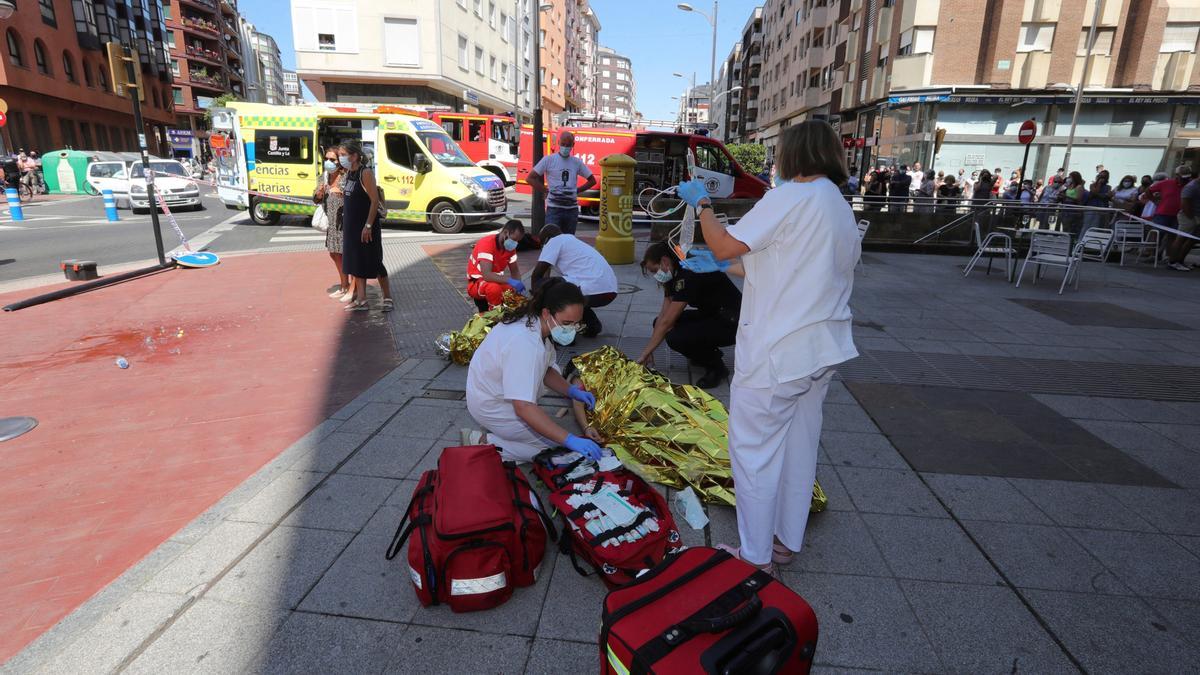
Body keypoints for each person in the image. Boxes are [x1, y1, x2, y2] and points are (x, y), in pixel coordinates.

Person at [673, 120, 859, 573]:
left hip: (778, 352)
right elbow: (781, 267)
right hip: (821, 349)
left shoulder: (790, 196)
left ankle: (755, 557)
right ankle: (784, 541)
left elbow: (722, 244)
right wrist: (725, 267)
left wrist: (702, 206)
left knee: (753, 453)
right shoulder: (837, 204)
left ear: (794, 154)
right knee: (799, 446)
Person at [465, 278, 603, 462]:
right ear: (547, 313)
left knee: (555, 442)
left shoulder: (536, 324)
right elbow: (523, 407)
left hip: (496, 396)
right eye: (567, 322)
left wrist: (571, 391)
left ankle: (505, 435)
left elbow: (545, 370)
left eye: (576, 323)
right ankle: (483, 442)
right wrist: (569, 439)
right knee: (552, 453)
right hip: (492, 405)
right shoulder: (525, 342)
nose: (573, 329)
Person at [635, 241, 742, 388]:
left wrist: (645, 353)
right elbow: (664, 316)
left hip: (733, 322)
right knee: (657, 323)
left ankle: (717, 368)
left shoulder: (689, 272)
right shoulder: (675, 271)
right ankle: (701, 353)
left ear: (664, 261)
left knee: (676, 337)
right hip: (713, 315)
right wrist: (650, 348)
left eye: (655, 270)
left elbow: (667, 323)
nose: (656, 276)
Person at [531, 224, 617, 337]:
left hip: (592, 289)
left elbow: (537, 275)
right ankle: (592, 324)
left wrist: (535, 302)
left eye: (542, 244)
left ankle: (562, 331)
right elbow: (546, 272)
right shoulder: (570, 241)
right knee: (562, 287)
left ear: (546, 240)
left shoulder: (555, 241)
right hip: (608, 290)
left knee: (551, 287)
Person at [338, 142, 393, 312]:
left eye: (343, 154)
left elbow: (374, 201)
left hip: (366, 228)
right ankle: (362, 300)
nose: (340, 158)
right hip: (352, 228)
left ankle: (387, 297)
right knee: (356, 263)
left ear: (354, 156)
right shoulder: (349, 173)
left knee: (374, 262)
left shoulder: (365, 173)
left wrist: (368, 225)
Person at [526, 131, 596, 234]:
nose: (565, 147)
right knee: (552, 240)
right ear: (558, 143)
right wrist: (545, 190)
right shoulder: (549, 160)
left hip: (571, 210)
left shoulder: (576, 162)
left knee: (568, 242)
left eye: (568, 145)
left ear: (573, 145)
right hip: (554, 209)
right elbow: (530, 178)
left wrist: (577, 190)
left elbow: (592, 180)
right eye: (563, 144)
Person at [467, 220, 527, 310]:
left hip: (495, 282)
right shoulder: (487, 244)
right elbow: (487, 276)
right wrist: (509, 280)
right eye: (514, 240)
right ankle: (496, 314)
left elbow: (515, 271)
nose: (515, 243)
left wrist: (517, 285)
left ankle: (502, 312)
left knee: (511, 290)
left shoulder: (510, 248)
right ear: (506, 233)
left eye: (517, 241)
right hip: (477, 283)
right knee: (494, 289)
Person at [315, 148, 349, 300]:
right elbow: (316, 199)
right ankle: (344, 285)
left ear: (339, 162)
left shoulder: (345, 177)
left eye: (332, 159)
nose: (328, 162)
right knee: (334, 254)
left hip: (344, 222)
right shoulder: (324, 177)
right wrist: (318, 194)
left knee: (345, 255)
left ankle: (350, 287)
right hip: (332, 222)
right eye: (326, 159)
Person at [1166, 167, 1198, 271]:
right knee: (1181, 238)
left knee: (1192, 240)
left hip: (1196, 216)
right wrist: (1191, 217)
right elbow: (1184, 204)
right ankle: (1172, 261)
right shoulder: (1191, 187)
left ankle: (1180, 260)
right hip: (1188, 216)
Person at [1058, 171, 1087, 236]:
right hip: (1065, 208)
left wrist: (1066, 196)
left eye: (1070, 177)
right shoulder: (1069, 186)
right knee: (1065, 227)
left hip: (1073, 209)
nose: (1069, 178)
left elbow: (1078, 199)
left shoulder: (1079, 187)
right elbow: (1061, 191)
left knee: (1071, 228)